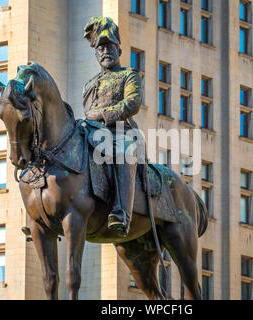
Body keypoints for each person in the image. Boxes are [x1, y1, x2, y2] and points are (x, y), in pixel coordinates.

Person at [82, 17, 143, 237]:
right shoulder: (89, 85)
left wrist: (103, 115)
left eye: (109, 46)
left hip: (121, 132)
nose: (105, 51)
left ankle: (122, 214)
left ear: (118, 49)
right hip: (91, 132)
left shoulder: (129, 75)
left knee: (124, 152)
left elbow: (132, 104)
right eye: (100, 48)